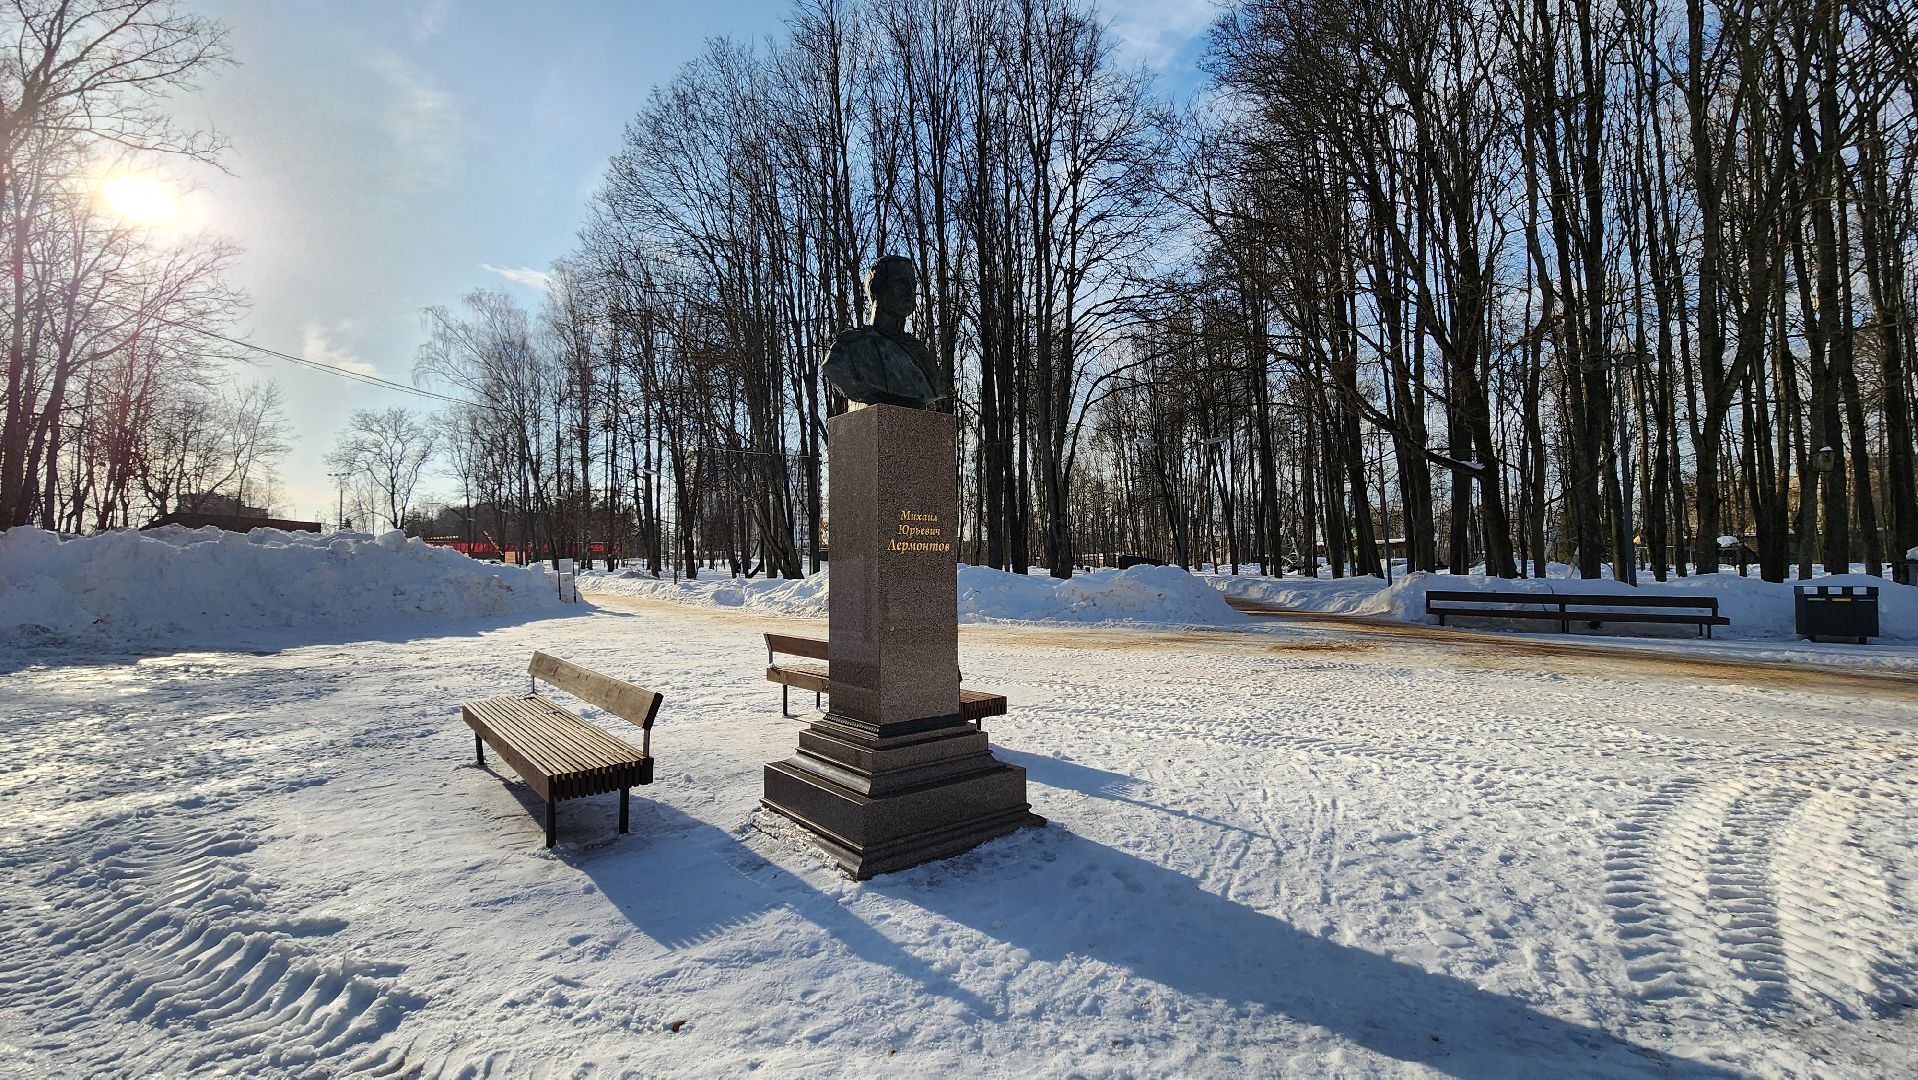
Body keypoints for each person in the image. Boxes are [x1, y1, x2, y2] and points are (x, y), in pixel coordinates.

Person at [820, 255, 944, 409]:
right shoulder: (848, 349)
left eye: (913, 285)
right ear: (877, 288)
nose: (910, 292)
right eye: (901, 283)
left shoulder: (921, 354)